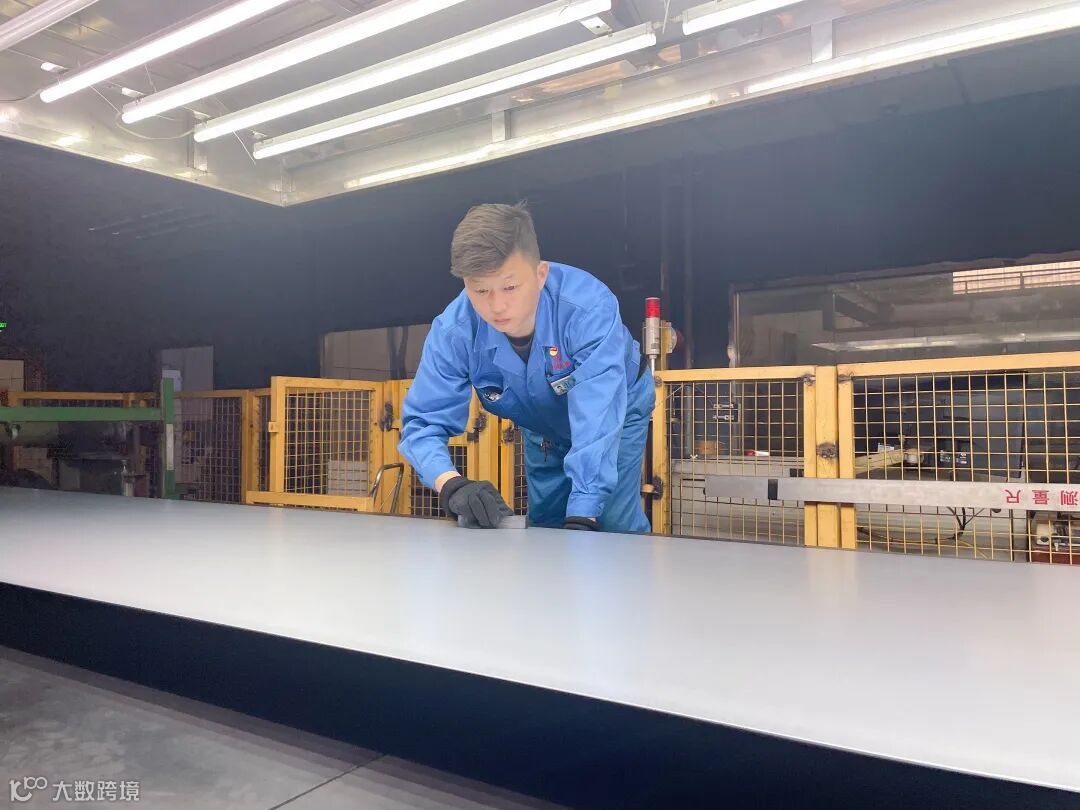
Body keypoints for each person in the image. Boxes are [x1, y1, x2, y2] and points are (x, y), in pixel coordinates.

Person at [399, 202, 654, 532]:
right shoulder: (454, 332)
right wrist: (451, 485)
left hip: (616, 412)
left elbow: (598, 417)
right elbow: (422, 423)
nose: (497, 306)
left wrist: (583, 516)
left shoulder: (587, 309)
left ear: (540, 274)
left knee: (610, 523)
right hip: (541, 424)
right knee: (545, 524)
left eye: (509, 287)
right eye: (480, 290)